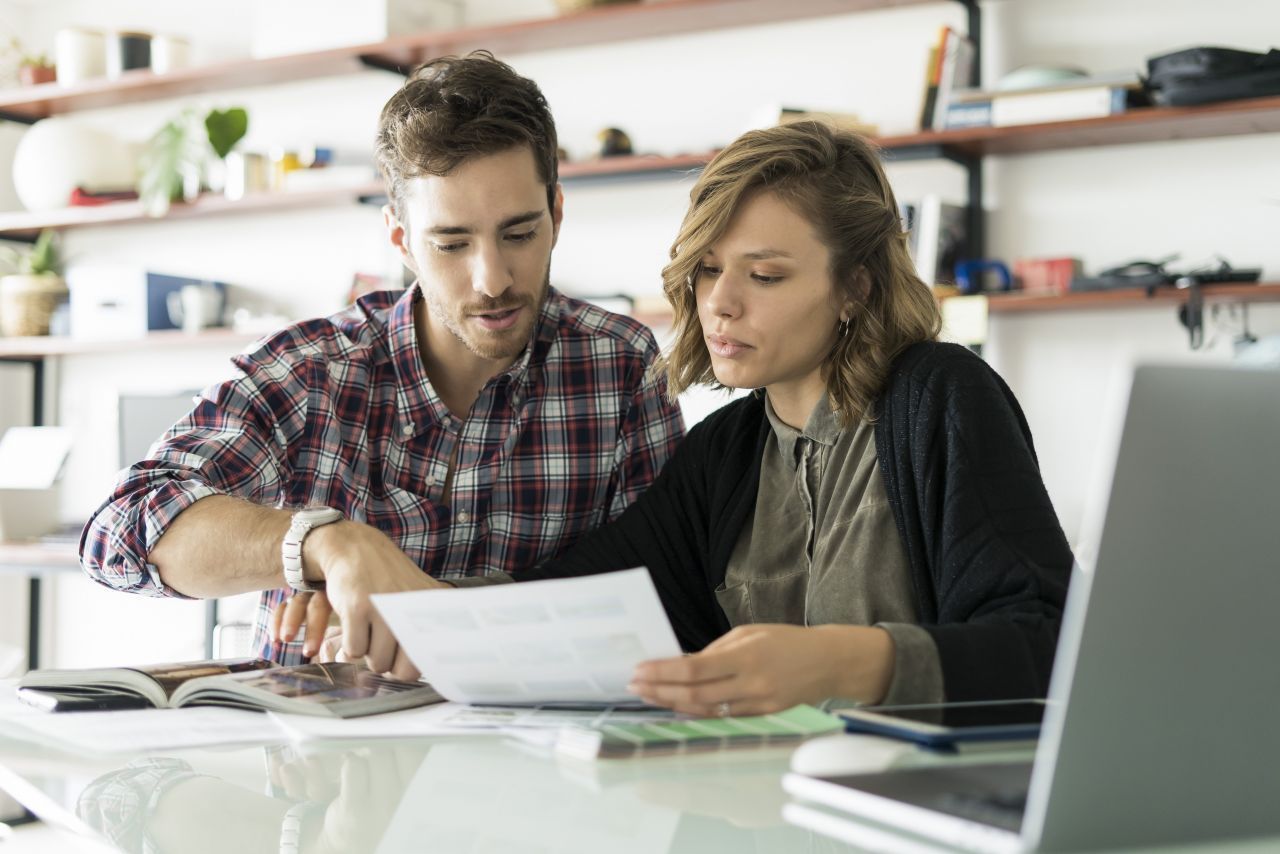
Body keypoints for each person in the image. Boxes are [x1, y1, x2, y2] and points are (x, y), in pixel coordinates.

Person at [299, 120, 1073, 713]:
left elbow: (1048, 645)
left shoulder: (941, 398)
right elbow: (574, 601)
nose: (719, 304)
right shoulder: (725, 453)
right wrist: (405, 615)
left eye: (764, 275)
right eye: (706, 271)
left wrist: (845, 662)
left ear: (856, 288)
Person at [79, 52, 685, 677]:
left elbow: (667, 597)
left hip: (543, 761)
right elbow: (118, 532)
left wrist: (441, 616)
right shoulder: (309, 373)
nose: (493, 279)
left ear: (556, 214)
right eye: (451, 243)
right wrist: (324, 544)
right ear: (400, 240)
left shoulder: (621, 368)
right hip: (321, 765)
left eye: (520, 234)